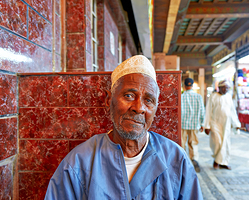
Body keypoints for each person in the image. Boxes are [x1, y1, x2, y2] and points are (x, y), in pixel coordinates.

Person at [44, 55, 203, 200]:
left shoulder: (176, 159)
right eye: (129, 96)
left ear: (155, 109)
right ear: (109, 100)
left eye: (148, 100)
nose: (139, 107)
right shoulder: (78, 163)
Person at [204, 80, 242, 170]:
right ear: (219, 88)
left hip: (226, 124)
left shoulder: (229, 97)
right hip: (215, 123)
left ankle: (222, 162)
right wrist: (206, 126)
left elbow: (232, 111)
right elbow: (208, 111)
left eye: (227, 88)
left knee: (225, 143)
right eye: (224, 87)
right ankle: (217, 160)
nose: (225, 89)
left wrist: (236, 124)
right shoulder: (213, 96)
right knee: (217, 142)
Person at [181, 77, 205, 173]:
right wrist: (202, 123)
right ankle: (194, 159)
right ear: (192, 86)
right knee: (193, 143)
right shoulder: (198, 97)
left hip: (182, 124)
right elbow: (202, 111)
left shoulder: (181, 97)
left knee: (182, 143)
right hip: (194, 124)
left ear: (184, 86)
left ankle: (183, 161)